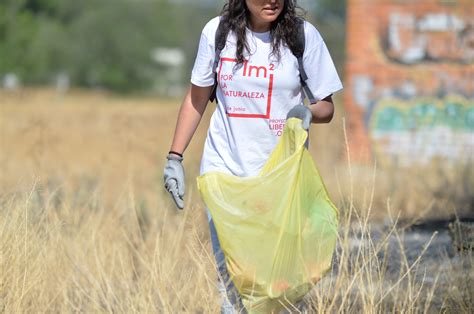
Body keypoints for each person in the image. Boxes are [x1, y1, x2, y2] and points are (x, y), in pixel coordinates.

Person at [164, 0, 343, 312]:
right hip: (226, 176)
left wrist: (307, 111)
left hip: (280, 179)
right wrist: (174, 158)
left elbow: (326, 106)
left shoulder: (303, 37)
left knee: (278, 284)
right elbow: (196, 100)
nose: (271, 0)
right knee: (232, 282)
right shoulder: (217, 33)